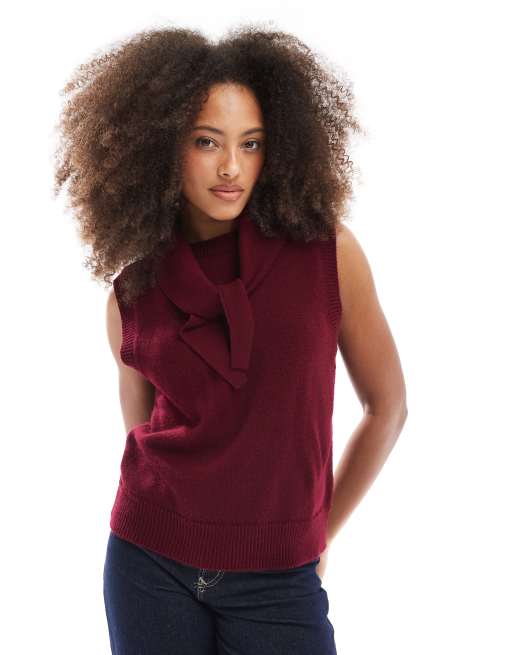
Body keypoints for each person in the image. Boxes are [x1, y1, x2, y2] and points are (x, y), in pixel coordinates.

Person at [53, 24, 407, 655]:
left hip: (280, 581)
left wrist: (317, 534)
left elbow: (388, 407)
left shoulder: (328, 255)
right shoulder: (131, 295)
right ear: (160, 144)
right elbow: (144, 440)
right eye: (206, 141)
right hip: (147, 567)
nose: (230, 167)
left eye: (251, 144)